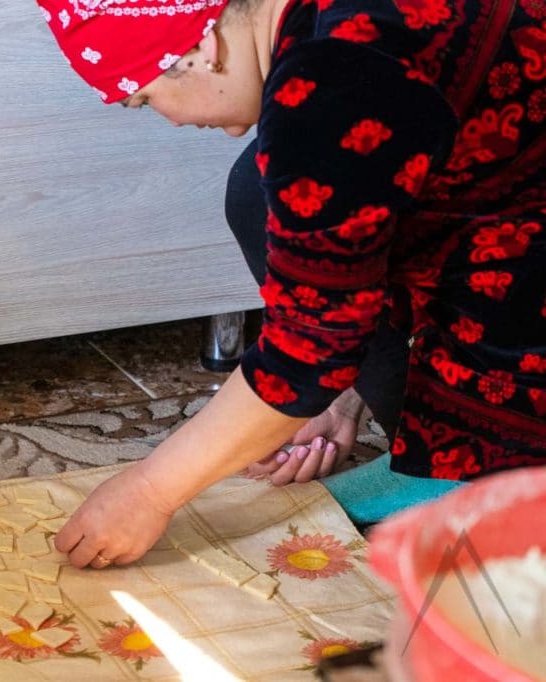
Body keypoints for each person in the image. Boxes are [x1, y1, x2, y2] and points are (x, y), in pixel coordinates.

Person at [35, 0, 546, 570]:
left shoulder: (329, 85)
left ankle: (500, 468)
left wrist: (150, 490)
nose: (170, 118)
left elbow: (307, 351)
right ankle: (451, 444)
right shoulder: (329, 28)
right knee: (263, 194)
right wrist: (344, 388)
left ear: (202, 49)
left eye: (146, 98)